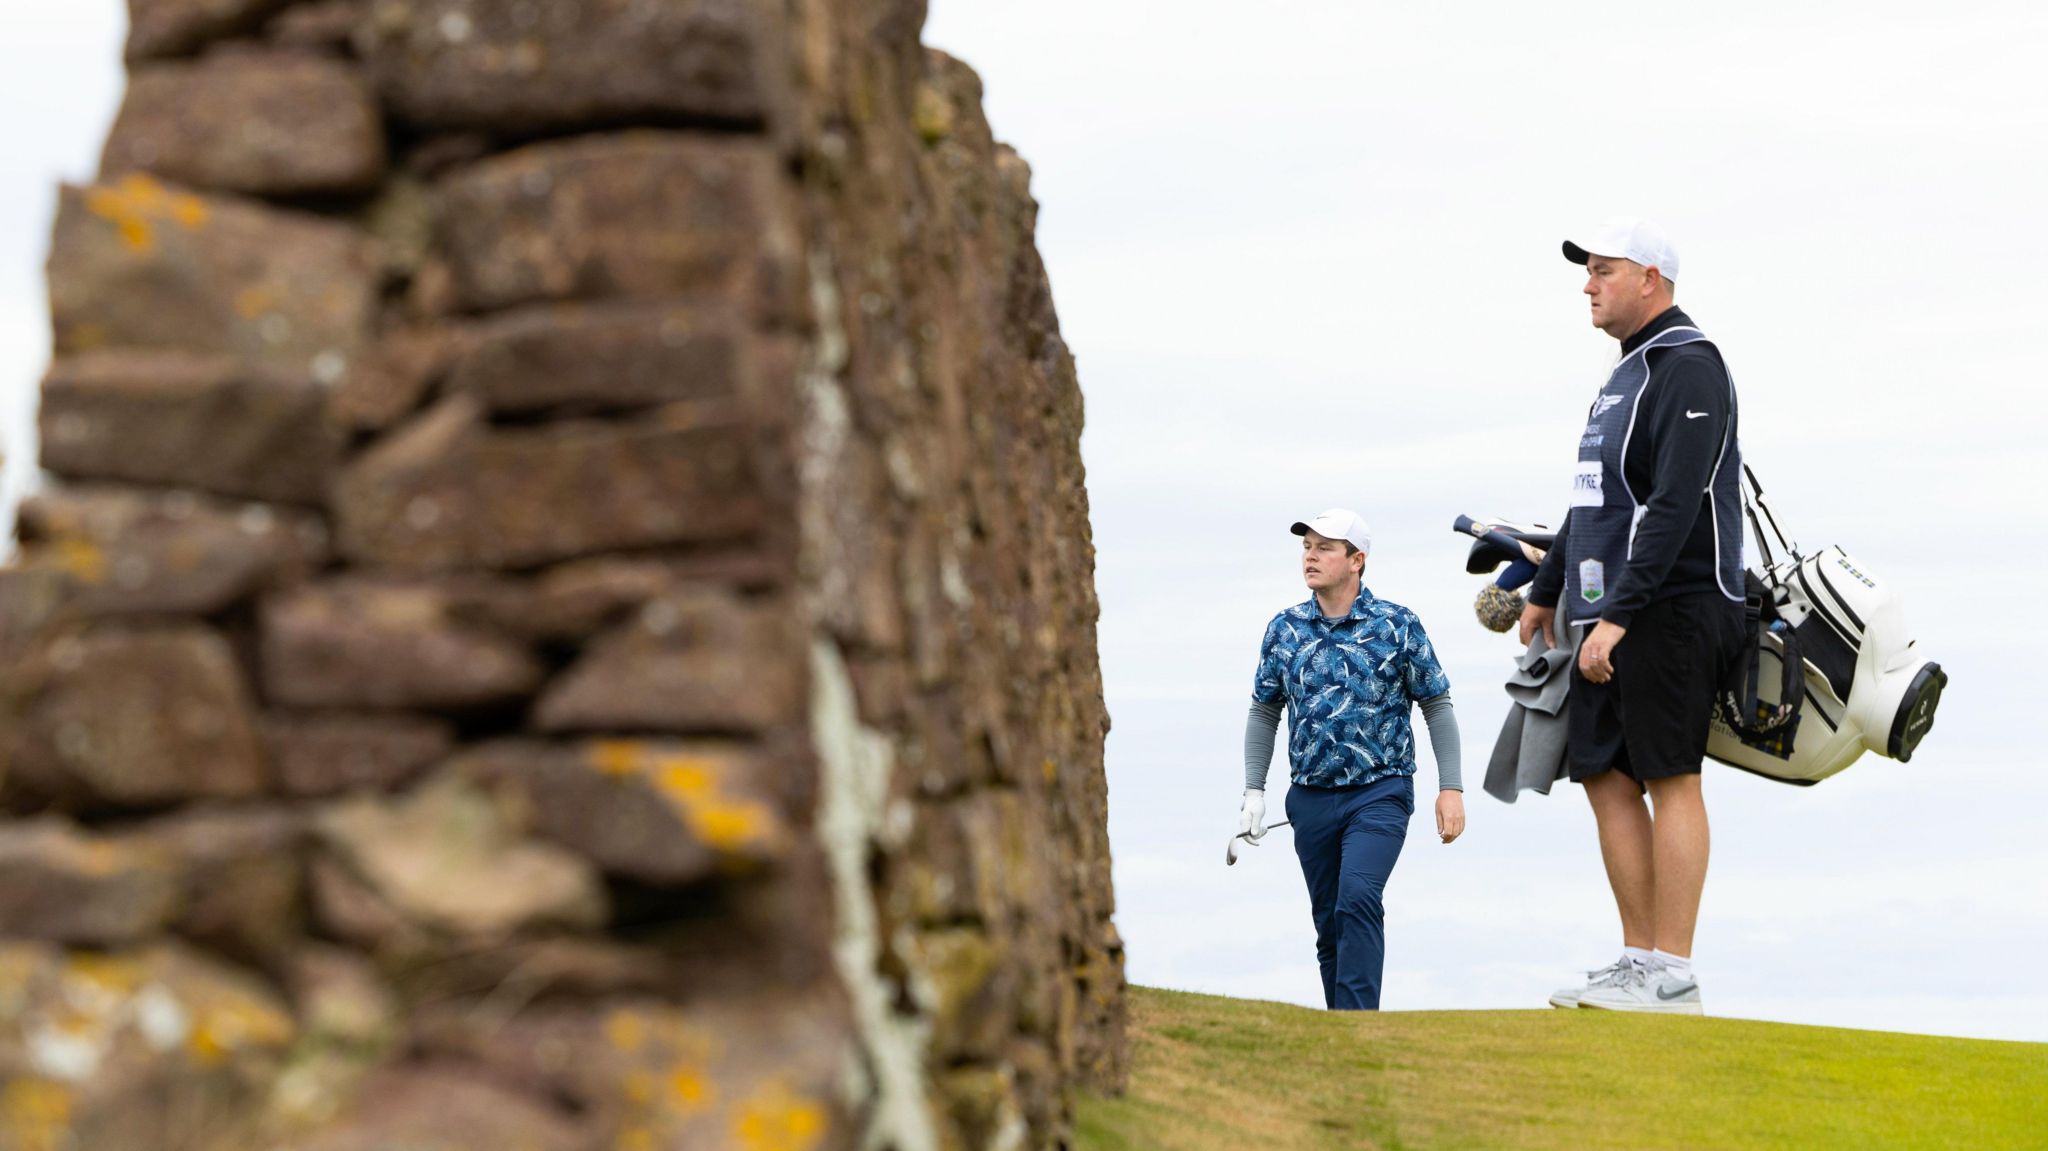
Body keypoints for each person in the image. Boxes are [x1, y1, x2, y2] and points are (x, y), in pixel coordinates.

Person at [1518, 218, 1747, 1014]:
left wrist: (1619, 613)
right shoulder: (1623, 376)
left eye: (1603, 270)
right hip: (1609, 609)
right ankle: (1638, 958)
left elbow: (1677, 503)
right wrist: (1548, 586)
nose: (1588, 283)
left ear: (1651, 278)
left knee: (1666, 773)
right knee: (1604, 773)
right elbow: (1594, 496)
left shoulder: (1689, 364)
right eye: (1587, 271)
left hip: (1676, 604)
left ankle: (1672, 971)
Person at [1239, 508, 1465, 1011]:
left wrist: (1451, 787)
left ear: (1357, 560)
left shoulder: (1396, 625)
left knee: (1358, 896)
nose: (1310, 556)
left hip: (1380, 792)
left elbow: (1436, 704)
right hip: (1310, 799)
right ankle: (1342, 1034)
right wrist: (1254, 792)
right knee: (1329, 922)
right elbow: (1264, 710)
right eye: (1306, 547)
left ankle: (1360, 1024)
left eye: (1325, 547)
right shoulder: (1285, 628)